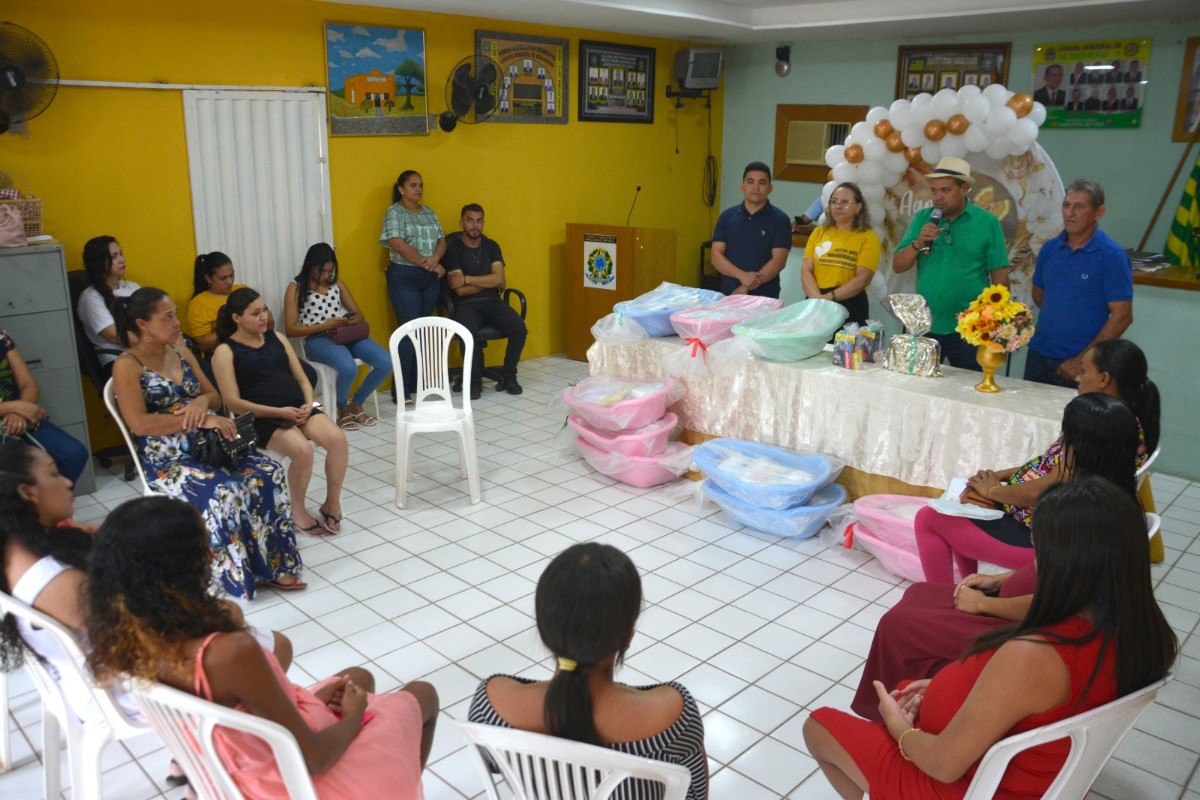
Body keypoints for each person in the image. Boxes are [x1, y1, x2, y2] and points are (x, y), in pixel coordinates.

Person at [805, 477, 1177, 799]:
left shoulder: (1037, 654)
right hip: (1028, 768)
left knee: (819, 725)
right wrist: (948, 688)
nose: (1035, 561)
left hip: (971, 785)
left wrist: (897, 727)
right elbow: (1036, 702)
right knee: (908, 681)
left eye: (1040, 548)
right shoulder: (1146, 633)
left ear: (1065, 562)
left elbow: (943, 764)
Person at [86, 496, 439, 800]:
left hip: (228, 769)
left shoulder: (125, 640)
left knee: (358, 676)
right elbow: (313, 759)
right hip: (288, 784)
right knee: (423, 695)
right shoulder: (228, 652)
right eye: (204, 544)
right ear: (185, 563)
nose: (212, 553)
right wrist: (352, 716)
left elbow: (238, 707)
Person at [0, 443, 294, 728]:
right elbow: (145, 635)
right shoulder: (57, 582)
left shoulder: (18, 551)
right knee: (270, 645)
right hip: (116, 689)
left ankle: (213, 743)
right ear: (27, 492)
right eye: (53, 474)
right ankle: (217, 749)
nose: (66, 481)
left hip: (98, 671)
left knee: (239, 628)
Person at [469, 543, 708, 800]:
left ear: (544, 631)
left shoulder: (490, 704)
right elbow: (694, 794)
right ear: (628, 636)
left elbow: (493, 764)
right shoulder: (674, 718)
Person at [110, 287, 305, 598]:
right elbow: (139, 424)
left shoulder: (180, 350)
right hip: (168, 459)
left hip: (208, 445)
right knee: (223, 491)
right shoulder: (127, 364)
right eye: (168, 317)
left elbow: (213, 394)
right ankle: (235, 574)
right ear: (143, 324)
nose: (177, 323)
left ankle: (273, 564)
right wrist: (200, 418)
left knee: (267, 471)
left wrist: (201, 402)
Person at [915, 391, 1148, 585]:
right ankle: (967, 585)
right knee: (963, 507)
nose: (1062, 446)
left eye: (1066, 437)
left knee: (928, 518)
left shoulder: (1080, 503)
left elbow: (1054, 568)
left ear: (1079, 447)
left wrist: (994, 492)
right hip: (1042, 542)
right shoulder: (1120, 488)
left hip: (1038, 549)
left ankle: (940, 597)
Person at [214, 288, 348, 536]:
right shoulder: (225, 351)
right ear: (237, 318)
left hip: (297, 410)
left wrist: (308, 404)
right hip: (261, 418)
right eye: (255, 313)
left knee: (338, 439)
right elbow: (233, 403)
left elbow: (303, 379)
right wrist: (279, 412)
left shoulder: (277, 338)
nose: (263, 316)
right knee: (303, 450)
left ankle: (332, 502)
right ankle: (297, 510)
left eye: (264, 309)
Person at [893, 157, 1010, 370]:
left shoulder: (987, 222)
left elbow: (1000, 277)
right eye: (934, 191)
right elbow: (898, 265)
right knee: (919, 387)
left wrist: (995, 323)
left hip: (969, 328)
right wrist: (917, 243)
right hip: (925, 325)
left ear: (964, 188)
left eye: (945, 190)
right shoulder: (922, 218)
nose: (938, 197)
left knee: (966, 391)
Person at [1024, 180, 1132, 387]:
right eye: (1066, 205)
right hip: (1039, 354)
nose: (1070, 213)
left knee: (1072, 419)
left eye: (1079, 206)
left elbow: (1123, 316)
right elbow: (1039, 295)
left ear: (1098, 212)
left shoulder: (1111, 255)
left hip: (1080, 363)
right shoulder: (1050, 249)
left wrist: (1083, 359)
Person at [284, 244, 393, 430]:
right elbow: (290, 330)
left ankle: (356, 403)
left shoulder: (337, 283)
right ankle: (341, 408)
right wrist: (325, 325)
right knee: (348, 367)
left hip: (345, 333)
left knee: (386, 361)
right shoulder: (296, 288)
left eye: (330, 271)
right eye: (322, 271)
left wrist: (351, 320)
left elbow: (359, 314)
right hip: (317, 338)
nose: (327, 275)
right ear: (310, 266)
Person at [443, 204, 528, 399]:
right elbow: (460, 290)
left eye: (479, 220)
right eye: (470, 220)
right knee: (467, 333)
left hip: (492, 301)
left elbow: (498, 279)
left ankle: (509, 376)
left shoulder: (492, 246)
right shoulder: (453, 249)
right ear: (461, 223)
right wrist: (489, 281)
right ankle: (473, 381)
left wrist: (468, 278)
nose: (475, 225)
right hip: (465, 304)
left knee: (519, 328)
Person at [380, 169, 445, 407]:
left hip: (428, 277)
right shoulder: (394, 212)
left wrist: (435, 259)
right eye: (413, 185)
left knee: (424, 331)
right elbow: (397, 244)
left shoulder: (429, 212)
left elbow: (441, 240)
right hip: (405, 276)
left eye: (421, 185)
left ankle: (421, 384)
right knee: (408, 331)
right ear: (401, 188)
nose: (418, 189)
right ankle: (402, 390)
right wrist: (427, 263)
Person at [0, 331, 89, 483]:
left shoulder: (1, 337)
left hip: (18, 413)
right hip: (12, 409)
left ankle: (52, 504)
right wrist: (14, 407)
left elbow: (28, 385)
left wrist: (20, 412)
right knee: (16, 467)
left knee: (74, 454)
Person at [800, 183, 880, 326]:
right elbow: (806, 270)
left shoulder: (868, 237)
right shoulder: (819, 232)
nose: (838, 206)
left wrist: (829, 298)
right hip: (816, 301)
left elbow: (862, 278)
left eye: (845, 202)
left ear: (858, 207)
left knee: (846, 349)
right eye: (834, 202)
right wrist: (817, 298)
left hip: (850, 303)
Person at [710, 161, 792, 299]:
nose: (755, 187)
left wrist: (745, 287)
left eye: (762, 182)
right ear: (742, 186)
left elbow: (779, 261)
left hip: (765, 299)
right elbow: (716, 257)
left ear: (770, 188)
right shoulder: (727, 217)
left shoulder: (780, 220)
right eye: (750, 182)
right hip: (729, 295)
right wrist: (741, 275)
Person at [77, 236, 142, 379]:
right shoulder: (90, 298)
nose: (121, 259)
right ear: (99, 262)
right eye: (114, 256)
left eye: (121, 253)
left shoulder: (133, 287)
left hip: (145, 353)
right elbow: (114, 335)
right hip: (118, 361)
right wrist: (156, 345)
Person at [186, 252, 245, 355]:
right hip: (223, 355)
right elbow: (202, 344)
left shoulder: (242, 290)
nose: (230, 281)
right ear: (209, 278)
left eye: (232, 275)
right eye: (223, 278)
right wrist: (234, 328)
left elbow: (267, 326)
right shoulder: (199, 304)